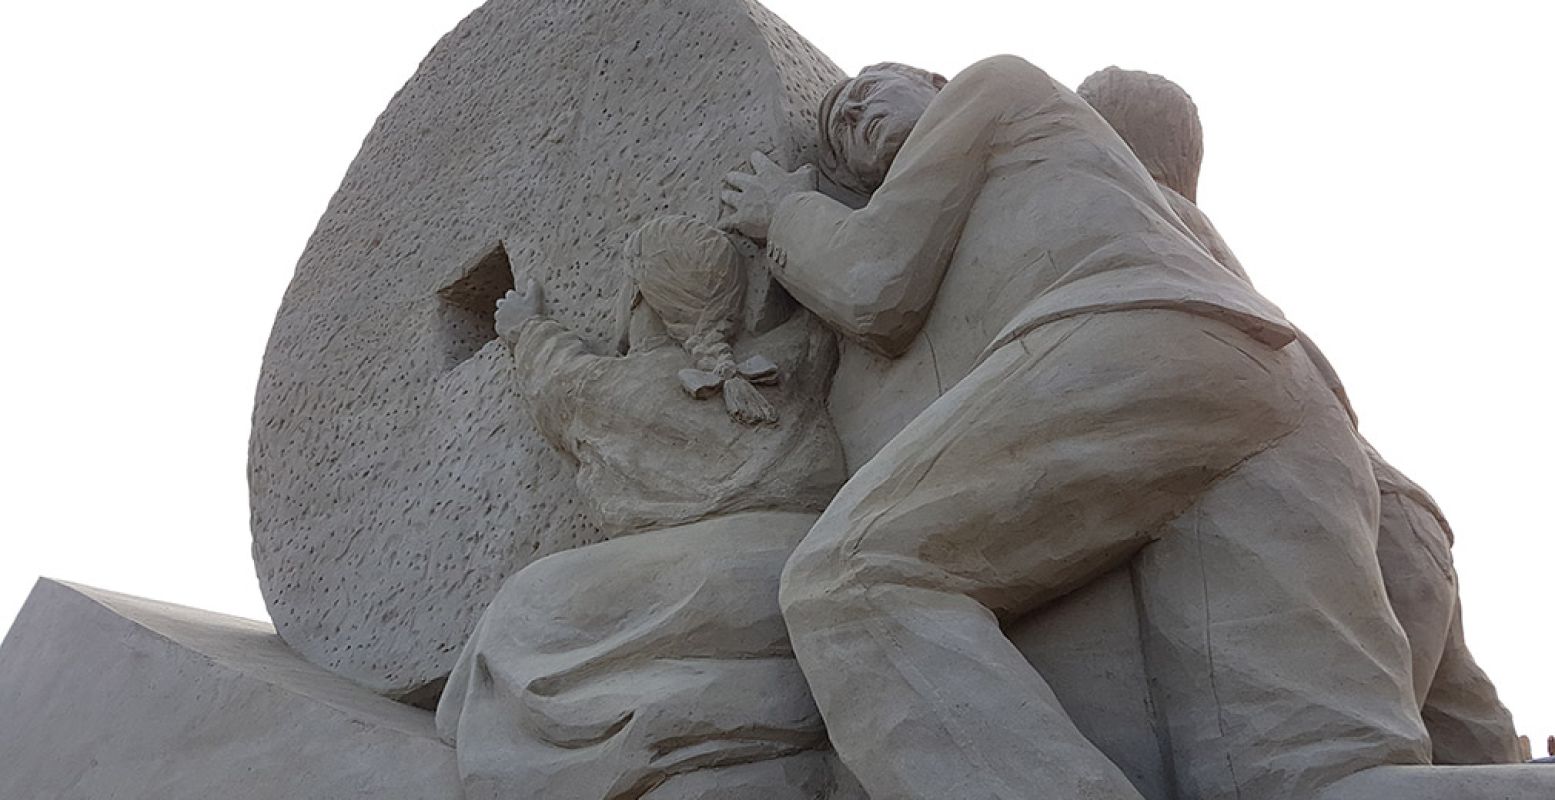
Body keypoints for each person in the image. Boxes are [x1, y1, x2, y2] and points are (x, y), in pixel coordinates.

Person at [721, 56, 1429, 800]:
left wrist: (786, 213)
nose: (855, 114)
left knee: (851, 578)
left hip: (1131, 350)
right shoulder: (1087, 181)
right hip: (1275, 392)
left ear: (934, 81)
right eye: (839, 128)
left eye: (869, 90)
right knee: (1317, 779)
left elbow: (874, 287)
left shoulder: (991, 85)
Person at [1077, 65, 1521, 766]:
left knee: (1344, 768)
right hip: (1397, 508)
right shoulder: (1202, 237)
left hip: (1325, 514)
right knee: (1468, 742)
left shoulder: (1137, 216)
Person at [435, 215, 859, 800]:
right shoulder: (793, 357)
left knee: (518, 610)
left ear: (636, 297)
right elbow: (823, 313)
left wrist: (524, 326)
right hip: (807, 556)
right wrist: (787, 215)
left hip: (705, 577)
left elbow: (550, 372)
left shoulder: (602, 390)